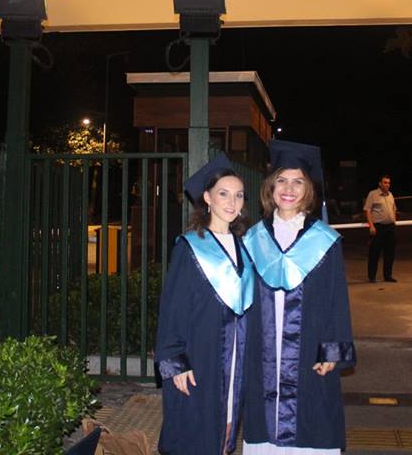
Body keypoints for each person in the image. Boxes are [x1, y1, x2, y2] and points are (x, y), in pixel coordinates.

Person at [242, 140, 356, 454]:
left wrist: (332, 351)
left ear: (308, 190)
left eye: (298, 182)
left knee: (312, 423)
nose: (289, 189)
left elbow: (337, 300)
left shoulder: (324, 240)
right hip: (263, 351)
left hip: (309, 349)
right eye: (282, 180)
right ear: (270, 186)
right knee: (264, 430)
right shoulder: (253, 238)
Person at [155, 153, 255, 455]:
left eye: (239, 195)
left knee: (226, 429)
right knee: (196, 434)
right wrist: (175, 362)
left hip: (236, 357)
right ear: (207, 198)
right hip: (200, 356)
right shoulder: (189, 247)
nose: (232, 202)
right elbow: (172, 309)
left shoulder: (245, 247)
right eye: (223, 194)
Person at [363, 174, 397, 283]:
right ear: (380, 183)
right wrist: (371, 226)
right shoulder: (373, 194)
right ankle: (372, 276)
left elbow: (394, 208)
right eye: (385, 182)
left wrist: (394, 220)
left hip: (390, 228)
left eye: (389, 183)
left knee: (390, 253)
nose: (387, 185)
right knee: (374, 253)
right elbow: (368, 210)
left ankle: (388, 276)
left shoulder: (390, 195)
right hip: (378, 227)